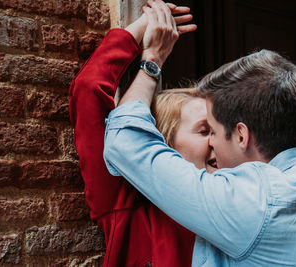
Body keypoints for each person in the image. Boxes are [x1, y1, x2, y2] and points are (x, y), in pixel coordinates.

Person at [103, 0, 296, 265]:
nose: (210, 142)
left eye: (212, 130)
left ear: (241, 136)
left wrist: (152, 60)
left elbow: (124, 139)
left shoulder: (246, 203)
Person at [69, 2, 200, 266]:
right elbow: (89, 90)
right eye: (204, 130)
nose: (216, 140)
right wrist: (149, 47)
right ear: (164, 141)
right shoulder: (126, 203)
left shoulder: (233, 201)